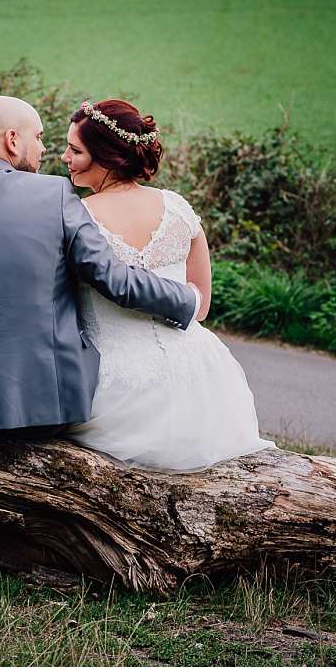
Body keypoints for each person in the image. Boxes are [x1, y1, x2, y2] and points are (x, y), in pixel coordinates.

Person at [0, 93, 199, 435]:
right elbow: (113, 278)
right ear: (12, 140)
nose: (43, 149)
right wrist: (187, 299)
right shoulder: (56, 194)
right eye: (37, 137)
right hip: (49, 407)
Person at [60, 98, 273, 469]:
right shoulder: (177, 208)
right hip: (202, 380)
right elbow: (201, 305)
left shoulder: (76, 217)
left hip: (116, 388)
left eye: (74, 150)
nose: (64, 157)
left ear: (106, 156)